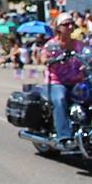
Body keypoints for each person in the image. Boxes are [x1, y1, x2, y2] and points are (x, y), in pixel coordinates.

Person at [37, 13, 86, 147]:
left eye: (72, 24)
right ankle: (64, 137)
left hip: (77, 81)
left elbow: (90, 56)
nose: (70, 27)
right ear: (58, 27)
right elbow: (43, 59)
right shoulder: (51, 45)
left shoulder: (79, 44)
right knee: (60, 99)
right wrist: (52, 59)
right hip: (57, 82)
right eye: (66, 24)